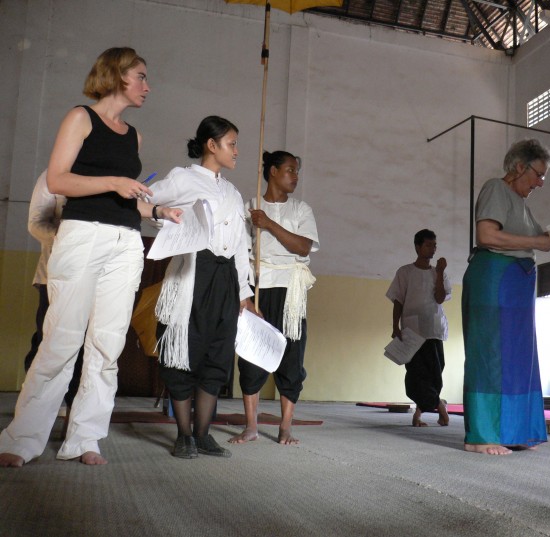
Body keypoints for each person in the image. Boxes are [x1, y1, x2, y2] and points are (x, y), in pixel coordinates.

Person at [0, 47, 182, 468]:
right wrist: (116, 181)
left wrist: (157, 211)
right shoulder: (80, 118)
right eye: (140, 76)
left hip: (126, 242)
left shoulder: (133, 135)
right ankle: (22, 437)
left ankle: (86, 437)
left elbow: (126, 198)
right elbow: (58, 178)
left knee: (107, 344)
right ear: (117, 75)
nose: (147, 86)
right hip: (82, 237)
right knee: (61, 340)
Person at [462, 139, 550, 455]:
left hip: (517, 285)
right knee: (491, 355)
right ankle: (481, 436)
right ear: (519, 166)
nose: (540, 183)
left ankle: (513, 432)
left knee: (517, 358)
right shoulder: (495, 189)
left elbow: (542, 239)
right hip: (493, 280)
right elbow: (486, 235)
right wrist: (534, 242)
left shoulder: (521, 206)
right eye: (538, 174)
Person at [149, 116, 255, 459]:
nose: (237, 151)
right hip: (194, 274)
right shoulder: (184, 178)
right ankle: (183, 435)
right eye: (232, 143)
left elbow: (240, 247)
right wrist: (160, 213)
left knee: (217, 355)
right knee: (183, 354)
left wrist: (245, 294)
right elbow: (148, 201)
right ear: (212, 145)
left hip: (226, 280)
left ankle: (203, 433)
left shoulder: (233, 193)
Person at [230, 150, 319, 446]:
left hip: (291, 290)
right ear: (272, 172)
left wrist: (268, 224)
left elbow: (304, 247)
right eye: (290, 170)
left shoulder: (301, 210)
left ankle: (285, 428)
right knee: (251, 355)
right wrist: (244, 295)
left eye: (297, 171)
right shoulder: (250, 206)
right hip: (258, 286)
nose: (295, 176)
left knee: (292, 357)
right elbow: (239, 253)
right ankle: (252, 426)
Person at [24, 170, 83, 412]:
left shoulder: (110, 175)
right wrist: (71, 235)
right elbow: (36, 224)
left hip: (96, 277)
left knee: (83, 347)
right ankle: (34, 407)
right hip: (53, 275)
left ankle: (73, 409)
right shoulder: (52, 175)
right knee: (48, 343)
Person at [386, 229, 452, 427]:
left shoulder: (438, 272)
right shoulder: (404, 272)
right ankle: (440, 407)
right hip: (412, 331)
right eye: (428, 245)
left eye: (434, 245)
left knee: (434, 374)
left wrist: (440, 272)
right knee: (415, 376)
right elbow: (398, 300)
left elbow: (440, 298)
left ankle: (419, 415)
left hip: (434, 330)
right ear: (417, 246)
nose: (432, 249)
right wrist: (395, 324)